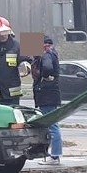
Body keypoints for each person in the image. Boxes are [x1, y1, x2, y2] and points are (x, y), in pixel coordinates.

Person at [32, 36, 63, 166]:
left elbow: (48, 69)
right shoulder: (52, 53)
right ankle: (54, 154)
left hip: (46, 95)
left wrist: (44, 77)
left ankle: (55, 156)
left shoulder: (46, 55)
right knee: (52, 125)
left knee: (52, 126)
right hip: (49, 95)